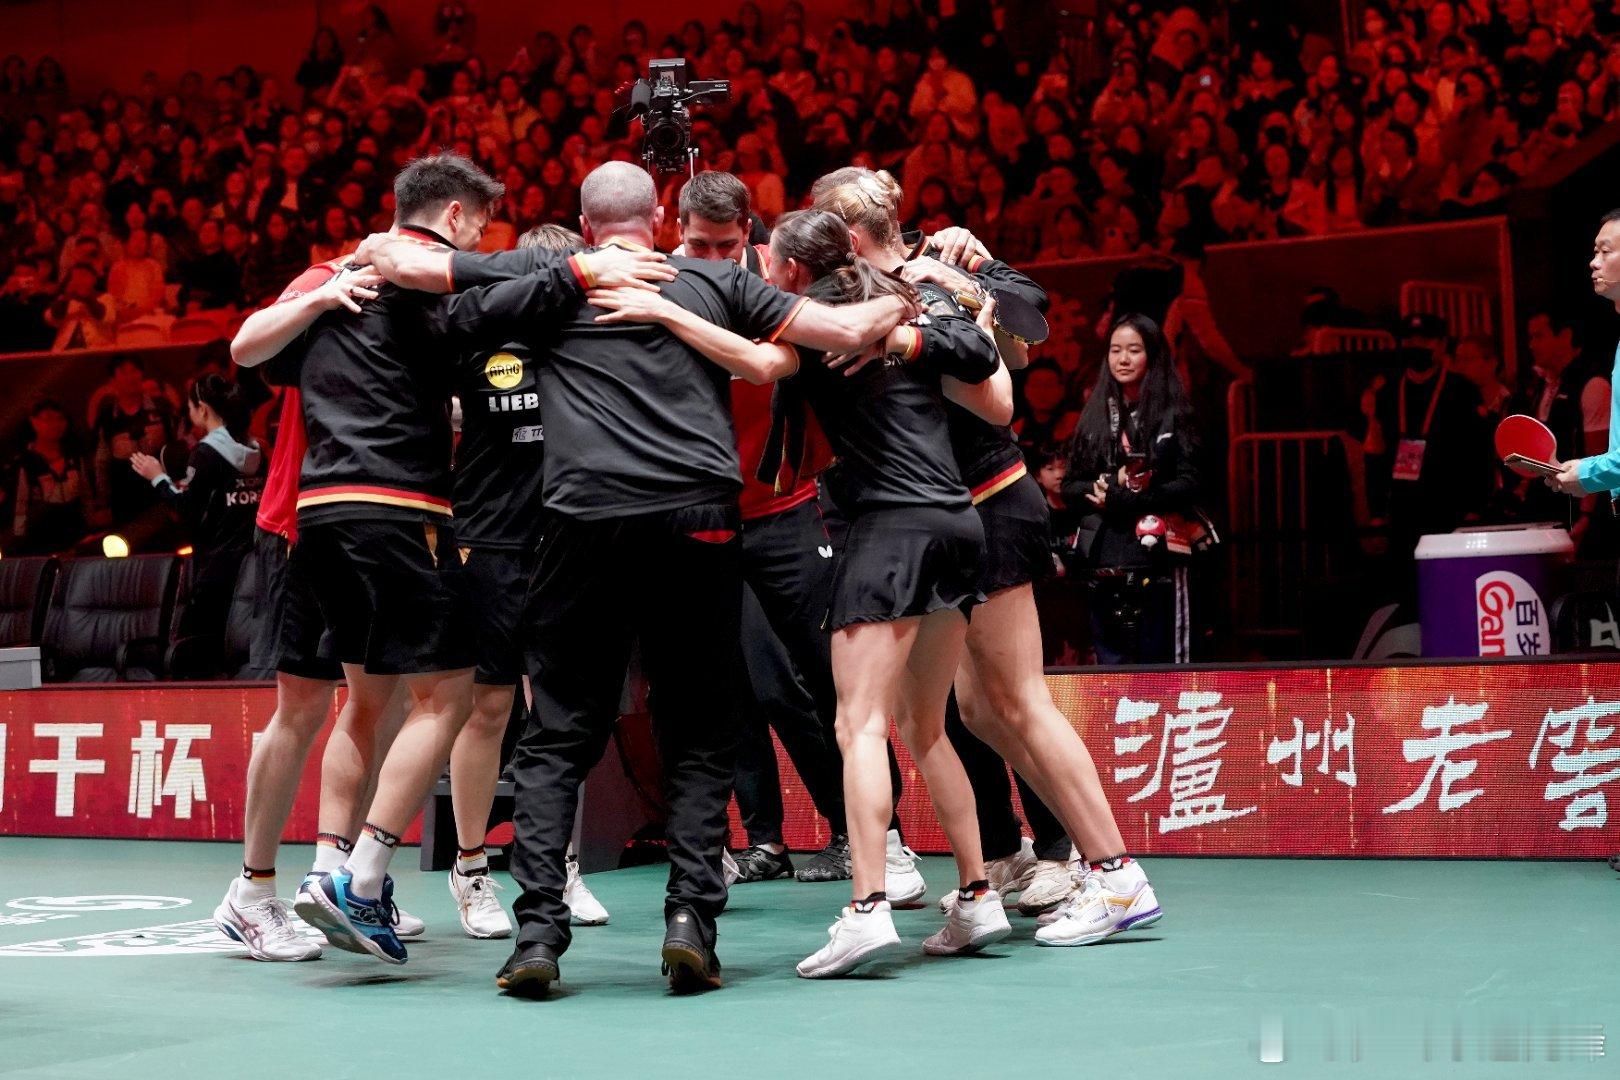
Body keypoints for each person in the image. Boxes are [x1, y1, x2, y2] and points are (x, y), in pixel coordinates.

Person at [360, 160, 918, 995]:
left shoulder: (549, 281)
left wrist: (526, 275)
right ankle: (690, 921)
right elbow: (839, 331)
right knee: (699, 731)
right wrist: (905, 299)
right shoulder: (715, 282)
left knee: (558, 733)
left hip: (582, 521)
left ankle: (538, 936)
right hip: (699, 518)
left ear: (587, 227)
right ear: (659, 220)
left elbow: (413, 278)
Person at [261, 153, 667, 966]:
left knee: (398, 702)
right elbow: (507, 282)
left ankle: (341, 871)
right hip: (441, 526)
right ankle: (396, 874)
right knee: (453, 701)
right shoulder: (434, 306)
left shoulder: (357, 289)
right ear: (452, 218)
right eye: (477, 228)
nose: (480, 243)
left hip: (365, 517)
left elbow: (250, 350)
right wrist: (581, 268)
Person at [600, 205, 1012, 976]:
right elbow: (981, 356)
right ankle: (978, 894)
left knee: (857, 725)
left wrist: (662, 311)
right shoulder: (899, 305)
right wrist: (916, 317)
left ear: (789, 270)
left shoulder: (817, 326)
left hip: (887, 531)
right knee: (926, 728)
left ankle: (867, 907)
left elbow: (754, 366)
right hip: (958, 525)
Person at [672, 169, 904, 887]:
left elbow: (875, 283)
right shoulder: (662, 282)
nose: (713, 259)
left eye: (726, 245)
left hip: (787, 508)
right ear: (677, 232)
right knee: (725, 687)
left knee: (824, 678)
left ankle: (879, 839)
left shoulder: (783, 283)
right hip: (706, 516)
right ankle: (758, 840)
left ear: (751, 234)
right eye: (698, 245)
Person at [442, 222, 610, 938]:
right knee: (489, 708)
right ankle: (471, 866)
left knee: (560, 712)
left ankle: (557, 866)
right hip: (490, 540)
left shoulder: (591, 341)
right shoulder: (480, 341)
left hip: (568, 541)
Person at [1063, 314, 1201, 665]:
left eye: (1134, 350)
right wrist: (1104, 489)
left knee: (1163, 666)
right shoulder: (1094, 415)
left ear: (1152, 355)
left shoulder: (1175, 413)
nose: (1123, 360)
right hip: (1107, 558)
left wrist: (1127, 499)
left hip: (1160, 555)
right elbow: (1070, 487)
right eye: (1115, 350)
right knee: (1112, 667)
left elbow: (1191, 484)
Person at [130, 374, 265, 650]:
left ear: (202, 409)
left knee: (191, 649)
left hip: (215, 569)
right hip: (253, 566)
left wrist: (157, 477)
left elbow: (186, 509)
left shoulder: (205, 454)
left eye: (190, 407)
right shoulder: (256, 451)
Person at [1361, 312, 1490, 558]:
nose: (1416, 346)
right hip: (1402, 509)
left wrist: (1474, 508)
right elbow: (1375, 454)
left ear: (1441, 345)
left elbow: (1478, 453)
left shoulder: (1462, 391)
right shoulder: (1387, 392)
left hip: (1448, 507)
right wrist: (1376, 513)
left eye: (1425, 340)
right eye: (1410, 340)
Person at [11, 399, 93, 554]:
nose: (55, 425)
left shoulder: (75, 456)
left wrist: (90, 525)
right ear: (34, 422)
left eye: (60, 419)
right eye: (48, 419)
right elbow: (19, 506)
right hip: (41, 539)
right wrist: (19, 539)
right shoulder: (24, 462)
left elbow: (86, 495)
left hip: (76, 537)